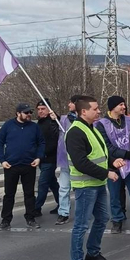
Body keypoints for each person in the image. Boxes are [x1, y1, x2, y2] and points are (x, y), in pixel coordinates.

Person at [66, 95, 124, 260]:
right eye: (95, 109)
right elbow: (81, 163)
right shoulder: (75, 132)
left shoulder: (92, 128)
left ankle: (92, 253)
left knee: (102, 219)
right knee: (81, 225)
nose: (99, 111)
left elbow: (101, 153)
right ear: (83, 111)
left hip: (97, 183)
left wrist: (112, 161)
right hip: (85, 185)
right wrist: (106, 173)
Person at [95, 95, 130, 234]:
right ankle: (117, 221)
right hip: (113, 166)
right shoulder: (102, 124)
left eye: (124, 104)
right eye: (120, 104)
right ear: (112, 107)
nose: (124, 107)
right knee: (115, 196)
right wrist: (123, 154)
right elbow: (105, 145)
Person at [0, 103, 45, 231]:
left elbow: (41, 142)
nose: (29, 115)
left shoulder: (34, 127)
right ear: (18, 113)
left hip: (29, 164)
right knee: (9, 194)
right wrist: (2, 160)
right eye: (26, 112)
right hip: (11, 165)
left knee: (29, 194)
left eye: (30, 112)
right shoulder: (8, 125)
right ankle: (6, 220)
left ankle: (30, 218)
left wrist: (38, 157)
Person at [55, 95, 80, 226]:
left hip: (79, 161)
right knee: (64, 187)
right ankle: (63, 213)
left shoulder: (85, 120)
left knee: (81, 188)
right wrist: (54, 119)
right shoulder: (63, 119)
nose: (69, 105)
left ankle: (83, 211)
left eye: (71, 102)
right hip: (66, 160)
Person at [32, 99, 60, 218]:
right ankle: (62, 203)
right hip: (41, 158)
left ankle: (36, 208)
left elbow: (56, 138)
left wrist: (55, 119)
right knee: (52, 183)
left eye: (43, 109)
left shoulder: (53, 122)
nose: (40, 111)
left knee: (43, 183)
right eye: (38, 109)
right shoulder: (40, 123)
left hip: (50, 158)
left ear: (49, 109)